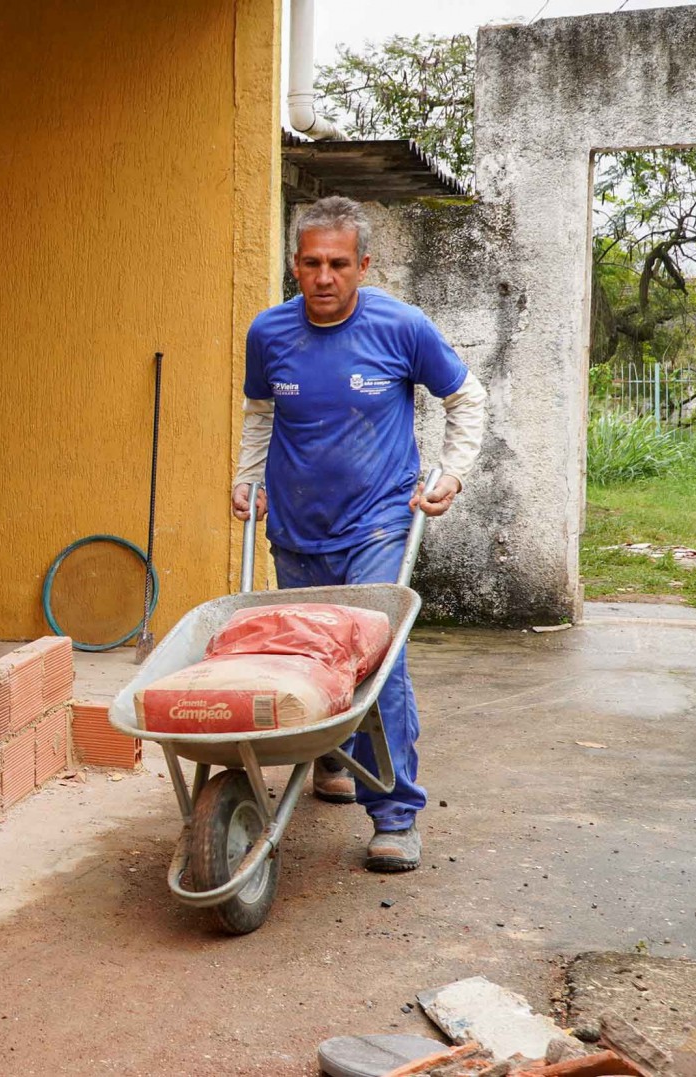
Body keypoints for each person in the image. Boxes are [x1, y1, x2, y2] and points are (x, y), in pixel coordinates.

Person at [233, 195, 487, 873]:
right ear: (294, 263)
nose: (323, 277)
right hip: (295, 523)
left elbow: (465, 398)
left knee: (378, 661)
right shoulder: (269, 333)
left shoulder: (401, 327)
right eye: (311, 262)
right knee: (308, 656)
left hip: (379, 520)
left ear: (364, 265)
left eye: (338, 264)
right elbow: (260, 413)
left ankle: (396, 814)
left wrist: (451, 476)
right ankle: (330, 762)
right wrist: (246, 477)